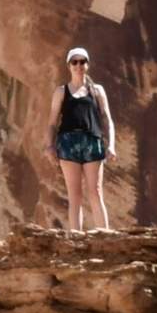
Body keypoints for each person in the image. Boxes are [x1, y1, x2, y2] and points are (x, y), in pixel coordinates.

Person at [49, 47, 117, 234]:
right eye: (75, 62)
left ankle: (104, 236)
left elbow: (107, 119)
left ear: (87, 64)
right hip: (68, 143)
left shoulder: (97, 90)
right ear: (69, 66)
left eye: (82, 62)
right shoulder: (61, 91)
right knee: (75, 195)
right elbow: (52, 122)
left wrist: (111, 144)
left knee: (95, 191)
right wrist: (50, 145)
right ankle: (75, 238)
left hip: (92, 141)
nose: (79, 66)